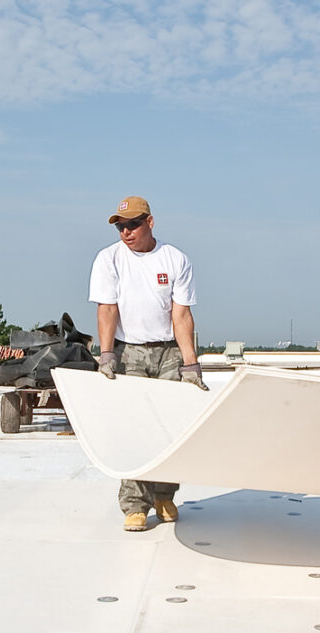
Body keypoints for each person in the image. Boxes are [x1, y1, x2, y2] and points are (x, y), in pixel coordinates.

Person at [88, 195, 209, 532]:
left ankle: (164, 496)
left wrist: (190, 365)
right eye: (120, 227)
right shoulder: (109, 259)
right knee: (135, 428)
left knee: (170, 426)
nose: (126, 232)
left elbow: (181, 315)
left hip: (168, 350)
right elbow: (107, 309)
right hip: (130, 350)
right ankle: (135, 506)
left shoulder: (175, 259)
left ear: (150, 222)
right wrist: (107, 355)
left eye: (133, 225)